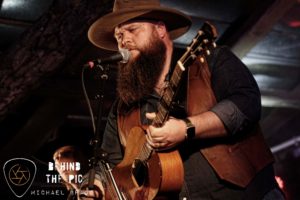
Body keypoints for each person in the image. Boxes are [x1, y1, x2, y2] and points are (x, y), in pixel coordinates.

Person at [82, 0, 285, 199]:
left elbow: (246, 104)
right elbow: (108, 163)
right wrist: (95, 185)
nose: (123, 40)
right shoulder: (123, 109)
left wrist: (186, 128)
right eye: (118, 36)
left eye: (132, 29)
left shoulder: (210, 60)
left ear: (160, 29)